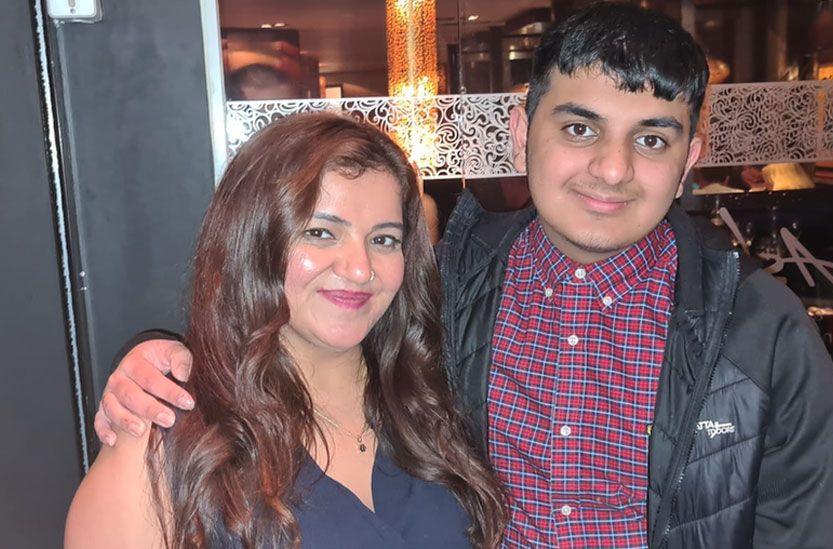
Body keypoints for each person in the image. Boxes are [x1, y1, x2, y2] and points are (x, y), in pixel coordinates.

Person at [92, 3, 833, 547]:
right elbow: (294, 318)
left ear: (689, 159)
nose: (612, 169)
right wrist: (162, 352)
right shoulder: (444, 291)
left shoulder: (762, 332)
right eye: (579, 127)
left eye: (652, 139)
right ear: (522, 131)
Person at [65, 112, 506, 548]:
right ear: (255, 240)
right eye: (320, 232)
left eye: (384, 239)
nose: (359, 268)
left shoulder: (431, 397)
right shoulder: (166, 426)